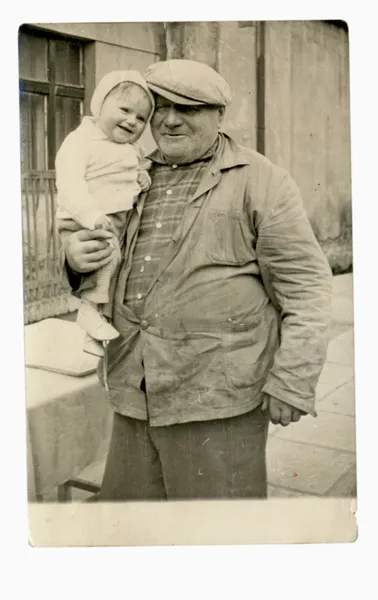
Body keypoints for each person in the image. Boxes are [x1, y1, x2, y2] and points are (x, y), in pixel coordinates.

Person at [60, 59, 333, 501]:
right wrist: (74, 259)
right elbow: (88, 246)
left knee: (215, 536)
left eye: (188, 108)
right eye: (160, 107)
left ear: (219, 115)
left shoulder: (261, 181)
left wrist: (292, 380)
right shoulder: (129, 172)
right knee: (130, 532)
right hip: (135, 386)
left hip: (218, 398)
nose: (169, 119)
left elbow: (307, 286)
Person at [55, 71, 154, 355]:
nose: (131, 121)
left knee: (115, 270)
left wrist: (141, 178)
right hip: (83, 219)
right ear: (99, 106)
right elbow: (69, 185)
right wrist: (91, 215)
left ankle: (93, 334)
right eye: (124, 110)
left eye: (140, 118)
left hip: (115, 218)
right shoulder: (81, 141)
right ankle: (88, 313)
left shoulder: (132, 147)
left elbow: (133, 172)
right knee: (109, 259)